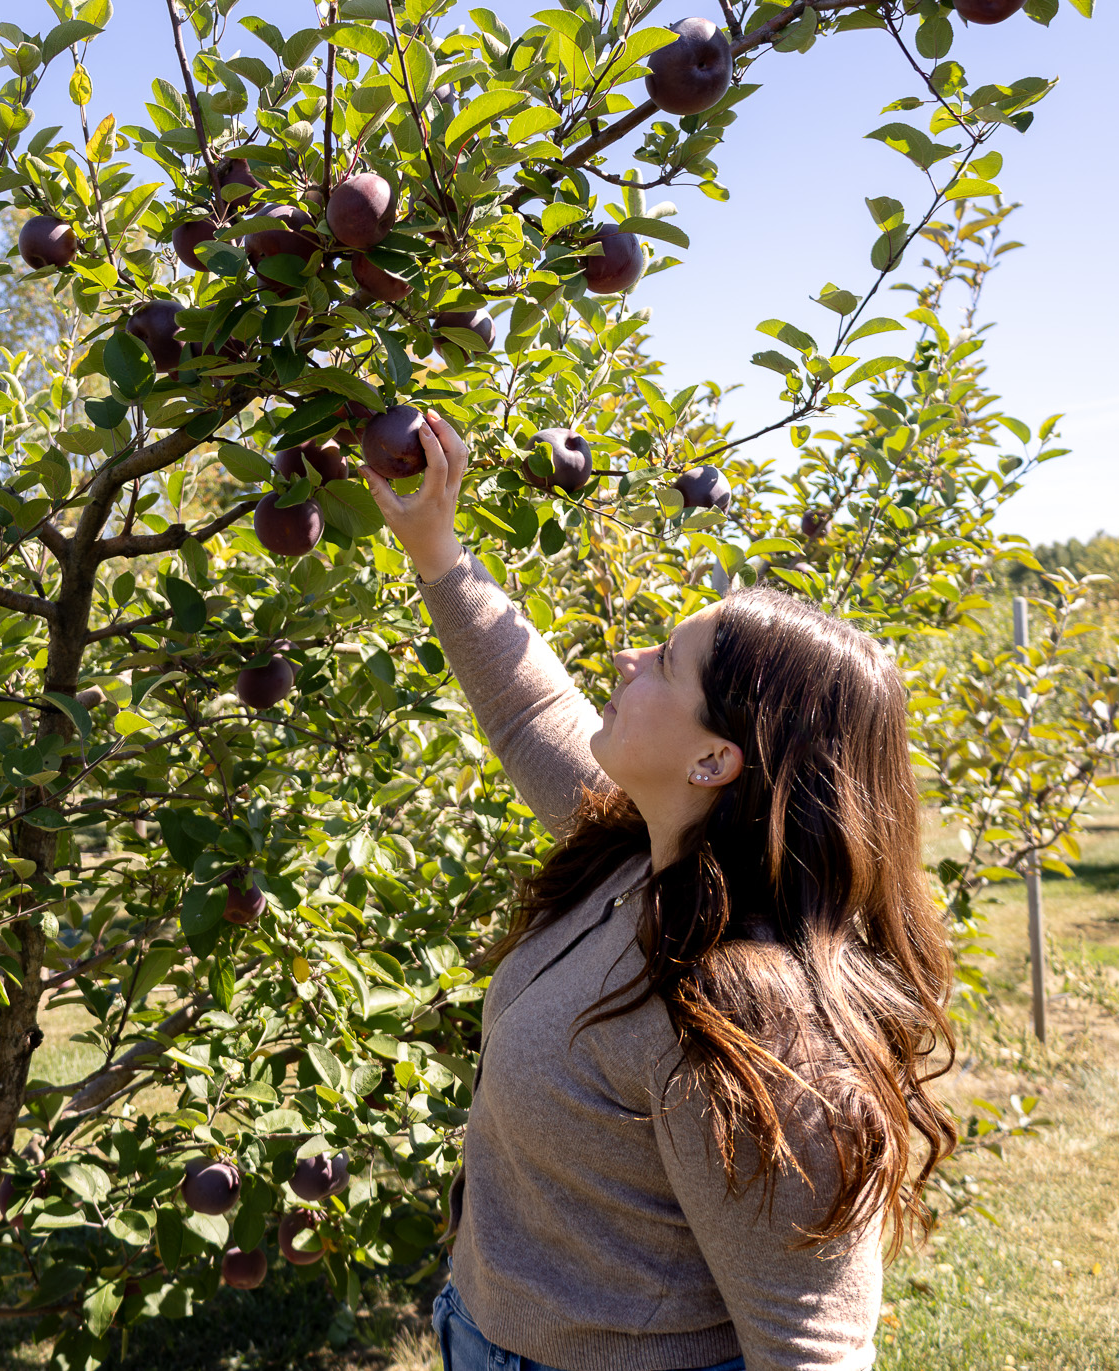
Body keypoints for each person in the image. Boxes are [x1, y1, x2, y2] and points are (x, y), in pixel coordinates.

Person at [361, 413, 959, 1371]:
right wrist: (437, 545)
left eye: (665, 662)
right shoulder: (639, 854)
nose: (624, 659)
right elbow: (527, 708)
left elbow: (813, 1346)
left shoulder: (759, 1022)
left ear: (714, 760)